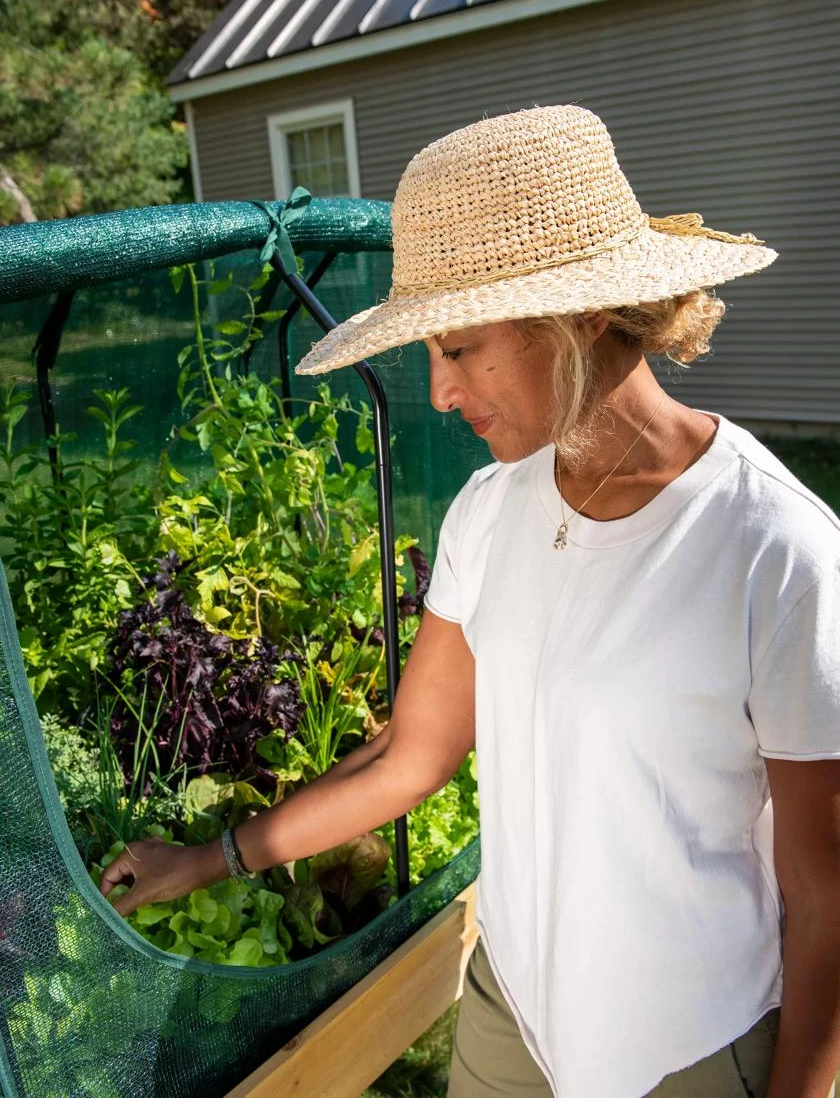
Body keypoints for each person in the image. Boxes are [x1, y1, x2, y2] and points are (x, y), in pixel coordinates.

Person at [100, 106, 840, 1098]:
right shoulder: (490, 513)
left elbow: (824, 892)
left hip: (688, 1051)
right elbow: (412, 756)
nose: (441, 393)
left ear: (579, 315)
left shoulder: (773, 550)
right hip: (515, 1018)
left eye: (459, 348)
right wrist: (209, 858)